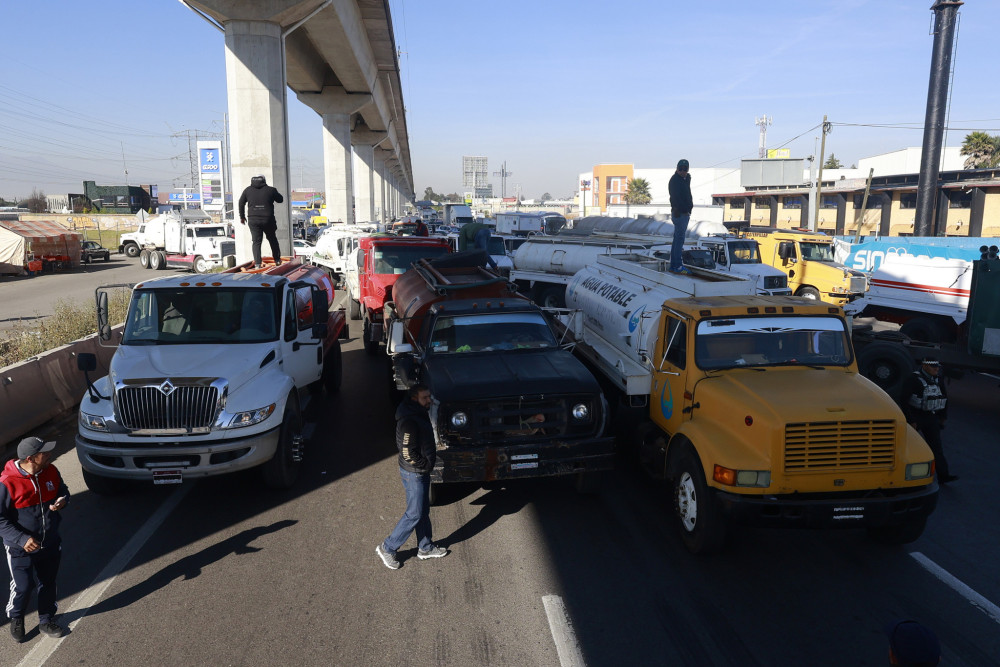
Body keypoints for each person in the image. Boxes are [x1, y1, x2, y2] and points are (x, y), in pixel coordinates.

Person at [0, 437, 71, 642]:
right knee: (23, 586)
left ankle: (46, 619)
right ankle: (16, 616)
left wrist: (62, 500)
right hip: (20, 548)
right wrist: (22, 539)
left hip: (50, 542)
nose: (49, 455)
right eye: (44, 453)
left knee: (48, 582)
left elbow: (62, 490)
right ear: (31, 458)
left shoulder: (51, 471)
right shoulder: (6, 483)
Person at [376, 384, 448, 569]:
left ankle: (425, 547)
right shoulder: (409, 420)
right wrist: (425, 465)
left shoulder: (417, 412)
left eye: (429, 396)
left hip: (419, 471)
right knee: (414, 513)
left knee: (422, 510)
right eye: (425, 398)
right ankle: (388, 547)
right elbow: (407, 452)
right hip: (414, 473)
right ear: (414, 398)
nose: (429, 400)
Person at [902, 357, 957, 484]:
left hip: (931, 417)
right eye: (933, 366)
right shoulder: (913, 379)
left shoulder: (938, 379)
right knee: (907, 446)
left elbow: (944, 398)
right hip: (915, 417)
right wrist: (911, 420)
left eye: (937, 366)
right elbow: (904, 400)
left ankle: (944, 475)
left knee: (936, 448)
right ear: (925, 366)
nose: (936, 369)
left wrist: (943, 417)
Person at [238, 174, 285, 269]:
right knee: (272, 239)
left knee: (256, 242)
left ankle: (257, 264)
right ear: (264, 180)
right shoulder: (271, 190)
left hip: (253, 219)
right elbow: (280, 200)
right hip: (268, 219)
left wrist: (242, 217)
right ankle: (277, 260)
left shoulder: (247, 190)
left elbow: (241, 203)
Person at [668, 158, 693, 275]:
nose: (683, 171)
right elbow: (675, 197)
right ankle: (677, 265)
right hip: (680, 213)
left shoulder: (684, 179)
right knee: (679, 240)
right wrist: (684, 209)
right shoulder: (675, 180)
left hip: (682, 213)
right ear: (677, 169)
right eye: (681, 168)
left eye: (685, 169)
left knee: (677, 239)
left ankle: (674, 265)